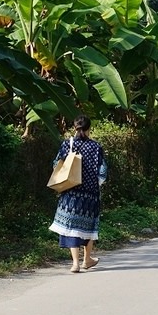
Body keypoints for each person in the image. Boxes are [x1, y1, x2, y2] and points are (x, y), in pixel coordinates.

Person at [48, 115, 108, 273]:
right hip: (90, 195)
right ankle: (87, 260)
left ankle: (75, 263)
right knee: (88, 228)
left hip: (70, 193)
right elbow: (102, 171)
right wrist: (96, 184)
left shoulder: (67, 144)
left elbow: (56, 164)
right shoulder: (96, 147)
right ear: (89, 128)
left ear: (75, 127)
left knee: (72, 228)